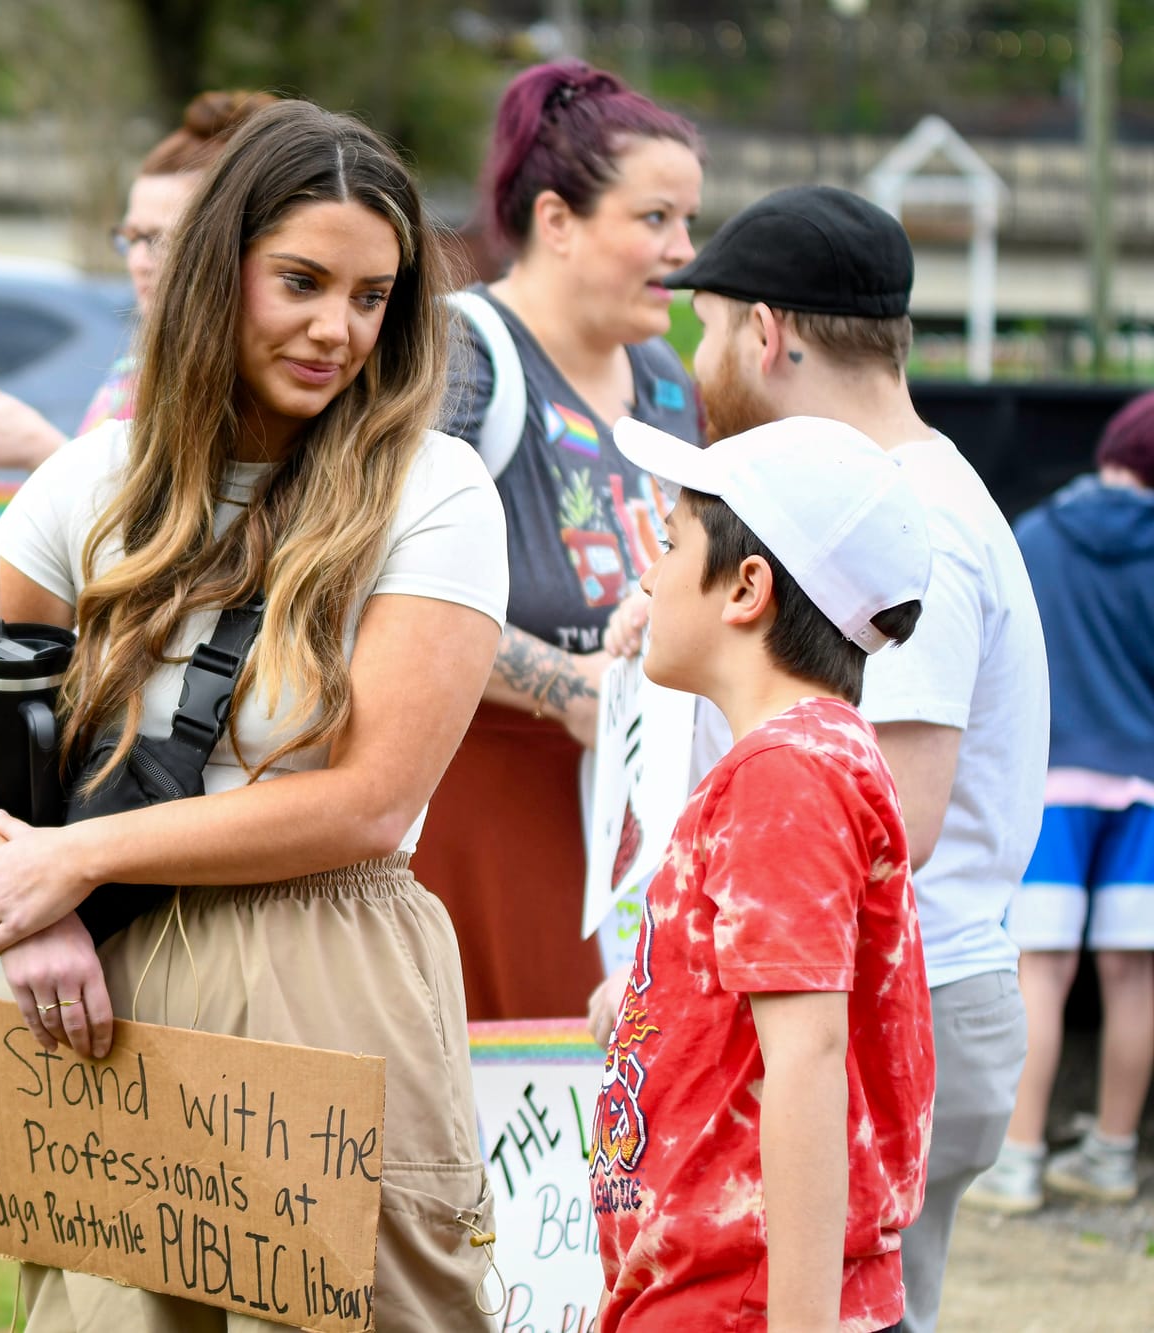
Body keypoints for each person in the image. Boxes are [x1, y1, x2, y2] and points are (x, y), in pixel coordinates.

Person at [0, 99, 506, 1329]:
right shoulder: (93, 481)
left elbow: (369, 802)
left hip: (325, 960)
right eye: (301, 282)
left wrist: (77, 856)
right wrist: (23, 913)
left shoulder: (434, 491)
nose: (335, 330)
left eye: (371, 297)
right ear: (220, 271)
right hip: (105, 986)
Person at [602, 185, 1049, 1332]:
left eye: (701, 327)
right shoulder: (873, 511)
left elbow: (859, 865)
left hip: (814, 1129)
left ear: (763, 329)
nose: (695, 359)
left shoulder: (902, 527)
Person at [590, 413, 934, 1333]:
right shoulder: (807, 759)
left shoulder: (784, 774)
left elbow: (809, 1057)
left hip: (738, 1304)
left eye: (669, 544)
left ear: (747, 587)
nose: (652, 574)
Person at [415, 60, 704, 1021]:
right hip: (483, 807)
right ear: (555, 221)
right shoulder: (466, 351)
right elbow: (387, 580)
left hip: (635, 815)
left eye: (690, 222)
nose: (684, 250)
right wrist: (572, 686)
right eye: (655, 219)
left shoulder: (666, 379)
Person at [966, 391, 1154, 1213]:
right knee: (1133, 975)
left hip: (1053, 788)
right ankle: (1112, 1155)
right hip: (1147, 793)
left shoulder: (1033, 538)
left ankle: (1019, 1158)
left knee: (1039, 971)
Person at [0, 89, 277, 476]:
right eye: (131, 237)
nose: (138, 261)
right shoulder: (136, 371)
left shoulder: (259, 385)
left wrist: (42, 451)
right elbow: (89, 530)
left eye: (161, 239)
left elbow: (178, 525)